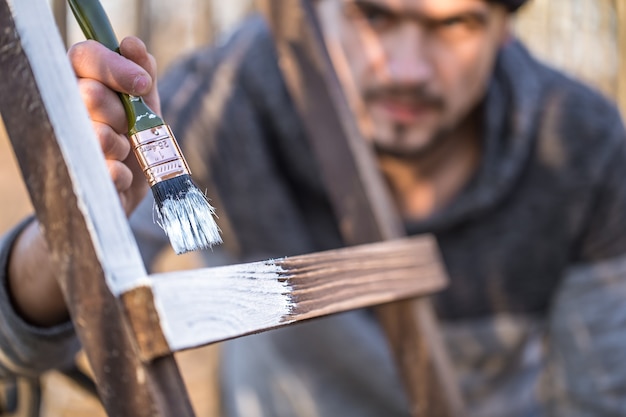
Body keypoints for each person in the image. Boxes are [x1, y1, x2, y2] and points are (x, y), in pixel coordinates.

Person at [3, 0, 626, 415]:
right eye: (374, 15)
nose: (405, 68)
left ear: (503, 24)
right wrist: (71, 217)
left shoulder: (581, 145)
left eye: (453, 23)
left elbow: (601, 394)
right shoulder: (223, 96)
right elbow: (19, 341)